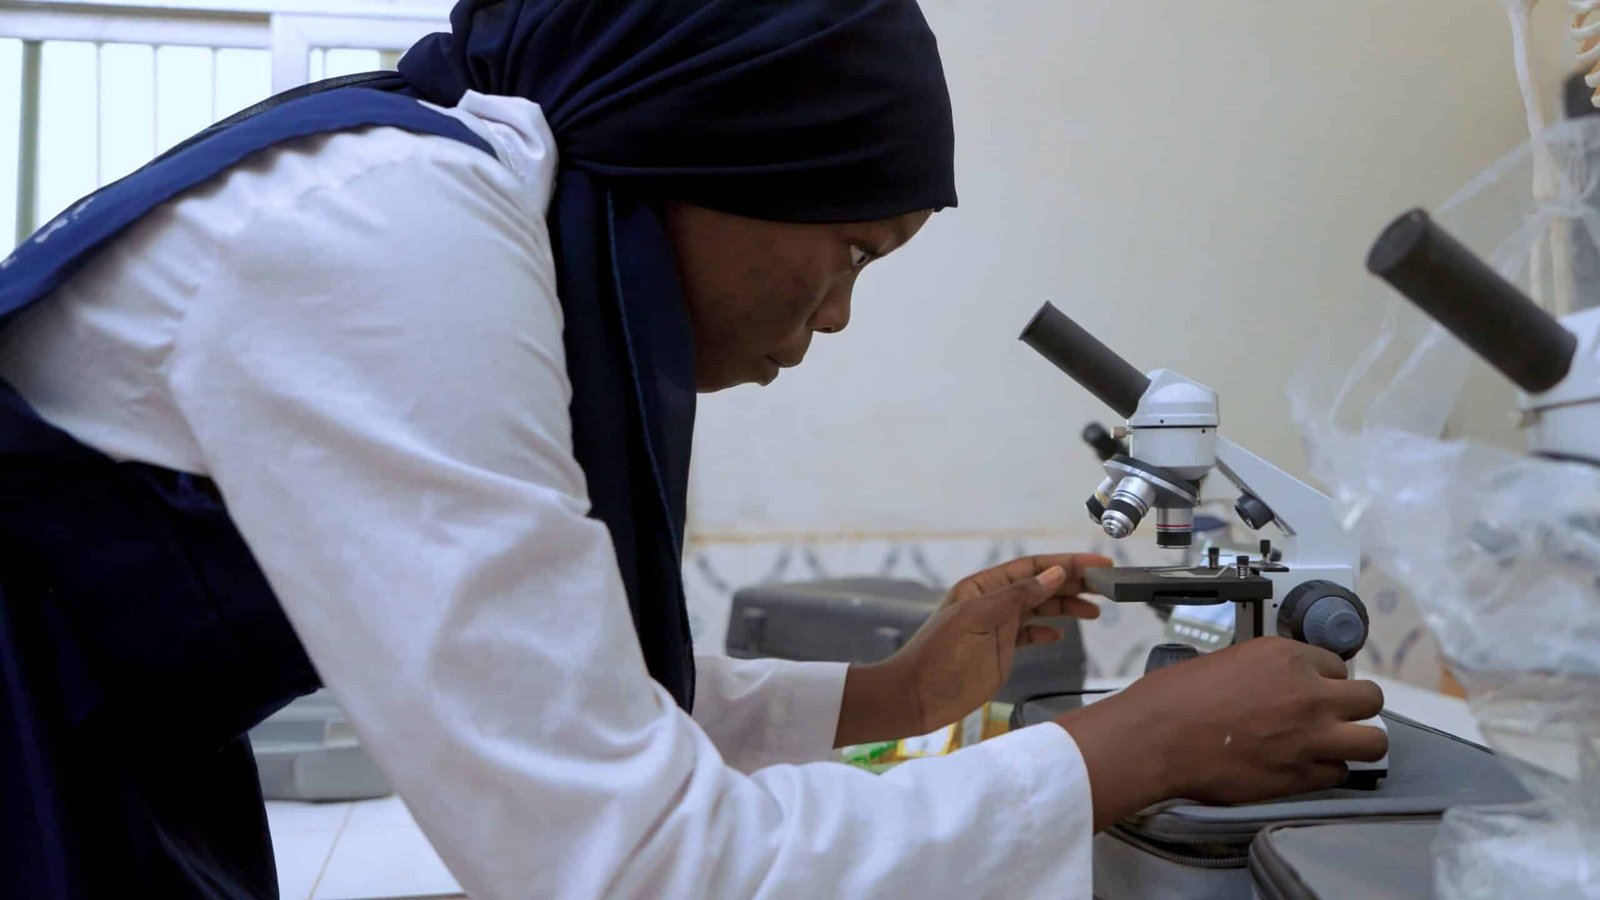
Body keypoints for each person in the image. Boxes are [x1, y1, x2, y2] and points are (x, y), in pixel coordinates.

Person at [0, 0, 1387, 896]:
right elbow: (624, 863)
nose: (836, 315)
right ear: (715, 152)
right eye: (851, 248)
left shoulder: (447, 200)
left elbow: (556, 691)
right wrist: (1124, 748)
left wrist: (890, 696)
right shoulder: (395, 233)